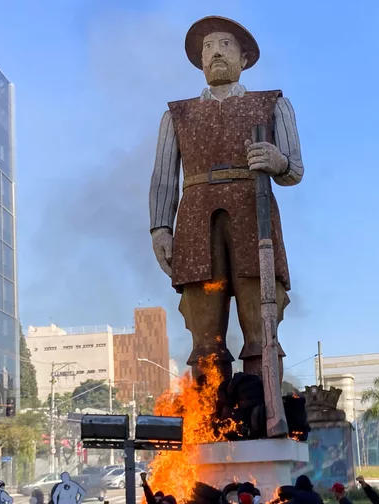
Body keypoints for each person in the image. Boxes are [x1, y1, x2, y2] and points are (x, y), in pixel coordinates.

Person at [149, 16, 304, 383]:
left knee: (262, 331)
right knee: (205, 339)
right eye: (207, 47)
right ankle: (212, 417)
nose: (215, 52)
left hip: (255, 218)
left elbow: (295, 169)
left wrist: (277, 160)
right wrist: (159, 228)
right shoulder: (176, 115)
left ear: (244, 58)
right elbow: (164, 178)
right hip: (195, 222)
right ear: (200, 62)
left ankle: (263, 412)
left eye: (225, 45)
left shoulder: (272, 105)